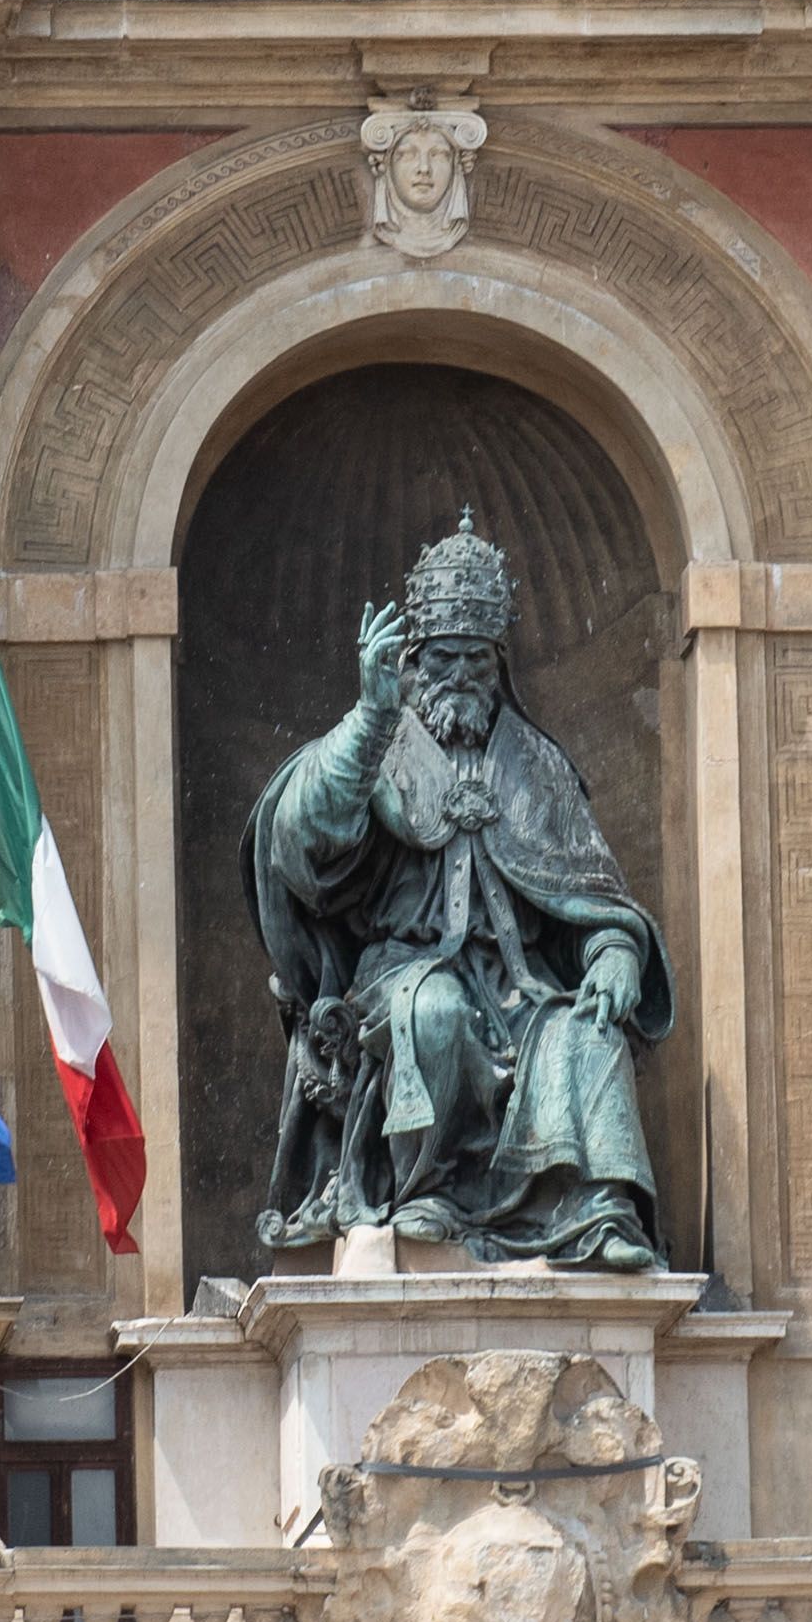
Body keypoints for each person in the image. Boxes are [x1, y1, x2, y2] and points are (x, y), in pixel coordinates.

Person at [248, 514, 671, 1271]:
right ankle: (425, 1192)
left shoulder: (533, 762)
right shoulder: (377, 744)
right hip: (397, 973)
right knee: (432, 1013)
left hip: (521, 989)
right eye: (444, 657)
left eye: (477, 658)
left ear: (498, 661)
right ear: (411, 662)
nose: (461, 676)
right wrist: (370, 716)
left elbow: (592, 891)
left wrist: (614, 951)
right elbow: (302, 846)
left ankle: (596, 1215)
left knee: (588, 1033)